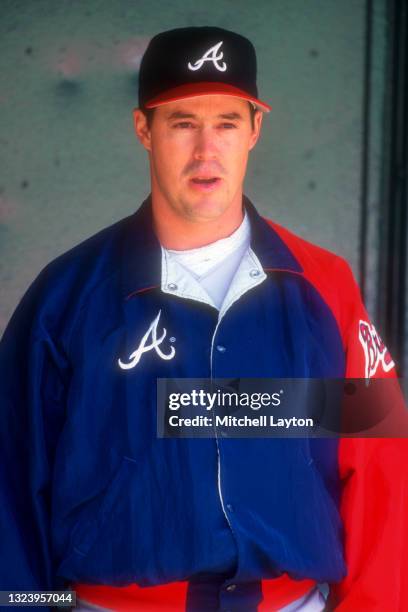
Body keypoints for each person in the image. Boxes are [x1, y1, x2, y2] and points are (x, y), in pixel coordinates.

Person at [0, 26, 407, 612]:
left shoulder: (325, 285)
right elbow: (11, 488)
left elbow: (381, 473)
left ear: (255, 130)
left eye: (227, 123)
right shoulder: (66, 296)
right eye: (183, 122)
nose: (205, 150)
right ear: (144, 130)